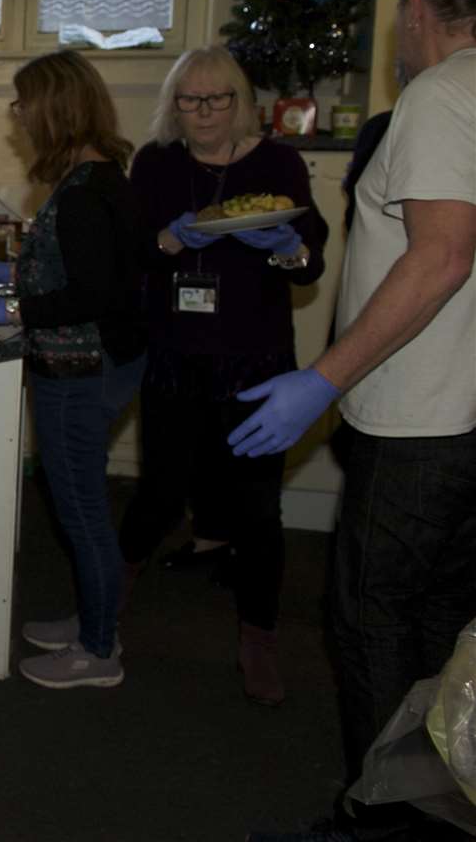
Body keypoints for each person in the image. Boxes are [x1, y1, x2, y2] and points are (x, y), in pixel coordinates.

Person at [229, 0, 475, 837]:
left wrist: (320, 379)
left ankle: (382, 816)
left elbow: (441, 256)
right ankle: (438, 802)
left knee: (369, 622)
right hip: (466, 417)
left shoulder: (443, 94)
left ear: (415, 8)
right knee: (444, 626)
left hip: (421, 418)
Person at [114, 44, 328, 707]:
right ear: (172, 105)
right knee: (159, 492)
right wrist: (170, 242)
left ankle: (257, 637)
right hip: (176, 354)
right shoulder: (154, 164)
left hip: (255, 360)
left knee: (257, 508)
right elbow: (130, 255)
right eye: (189, 99)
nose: (204, 111)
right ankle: (103, 606)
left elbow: (310, 259)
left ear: (239, 102)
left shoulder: (277, 162)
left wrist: (286, 247)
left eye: (217, 98)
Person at [0, 50, 146, 690]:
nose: (19, 115)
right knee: (77, 499)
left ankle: (98, 651)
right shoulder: (98, 178)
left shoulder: (84, 193)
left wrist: (8, 308)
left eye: (26, 103)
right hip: (98, 363)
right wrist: (8, 275)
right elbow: (85, 271)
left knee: (80, 507)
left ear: (54, 108)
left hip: (80, 368)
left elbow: (93, 294)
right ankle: (91, 620)